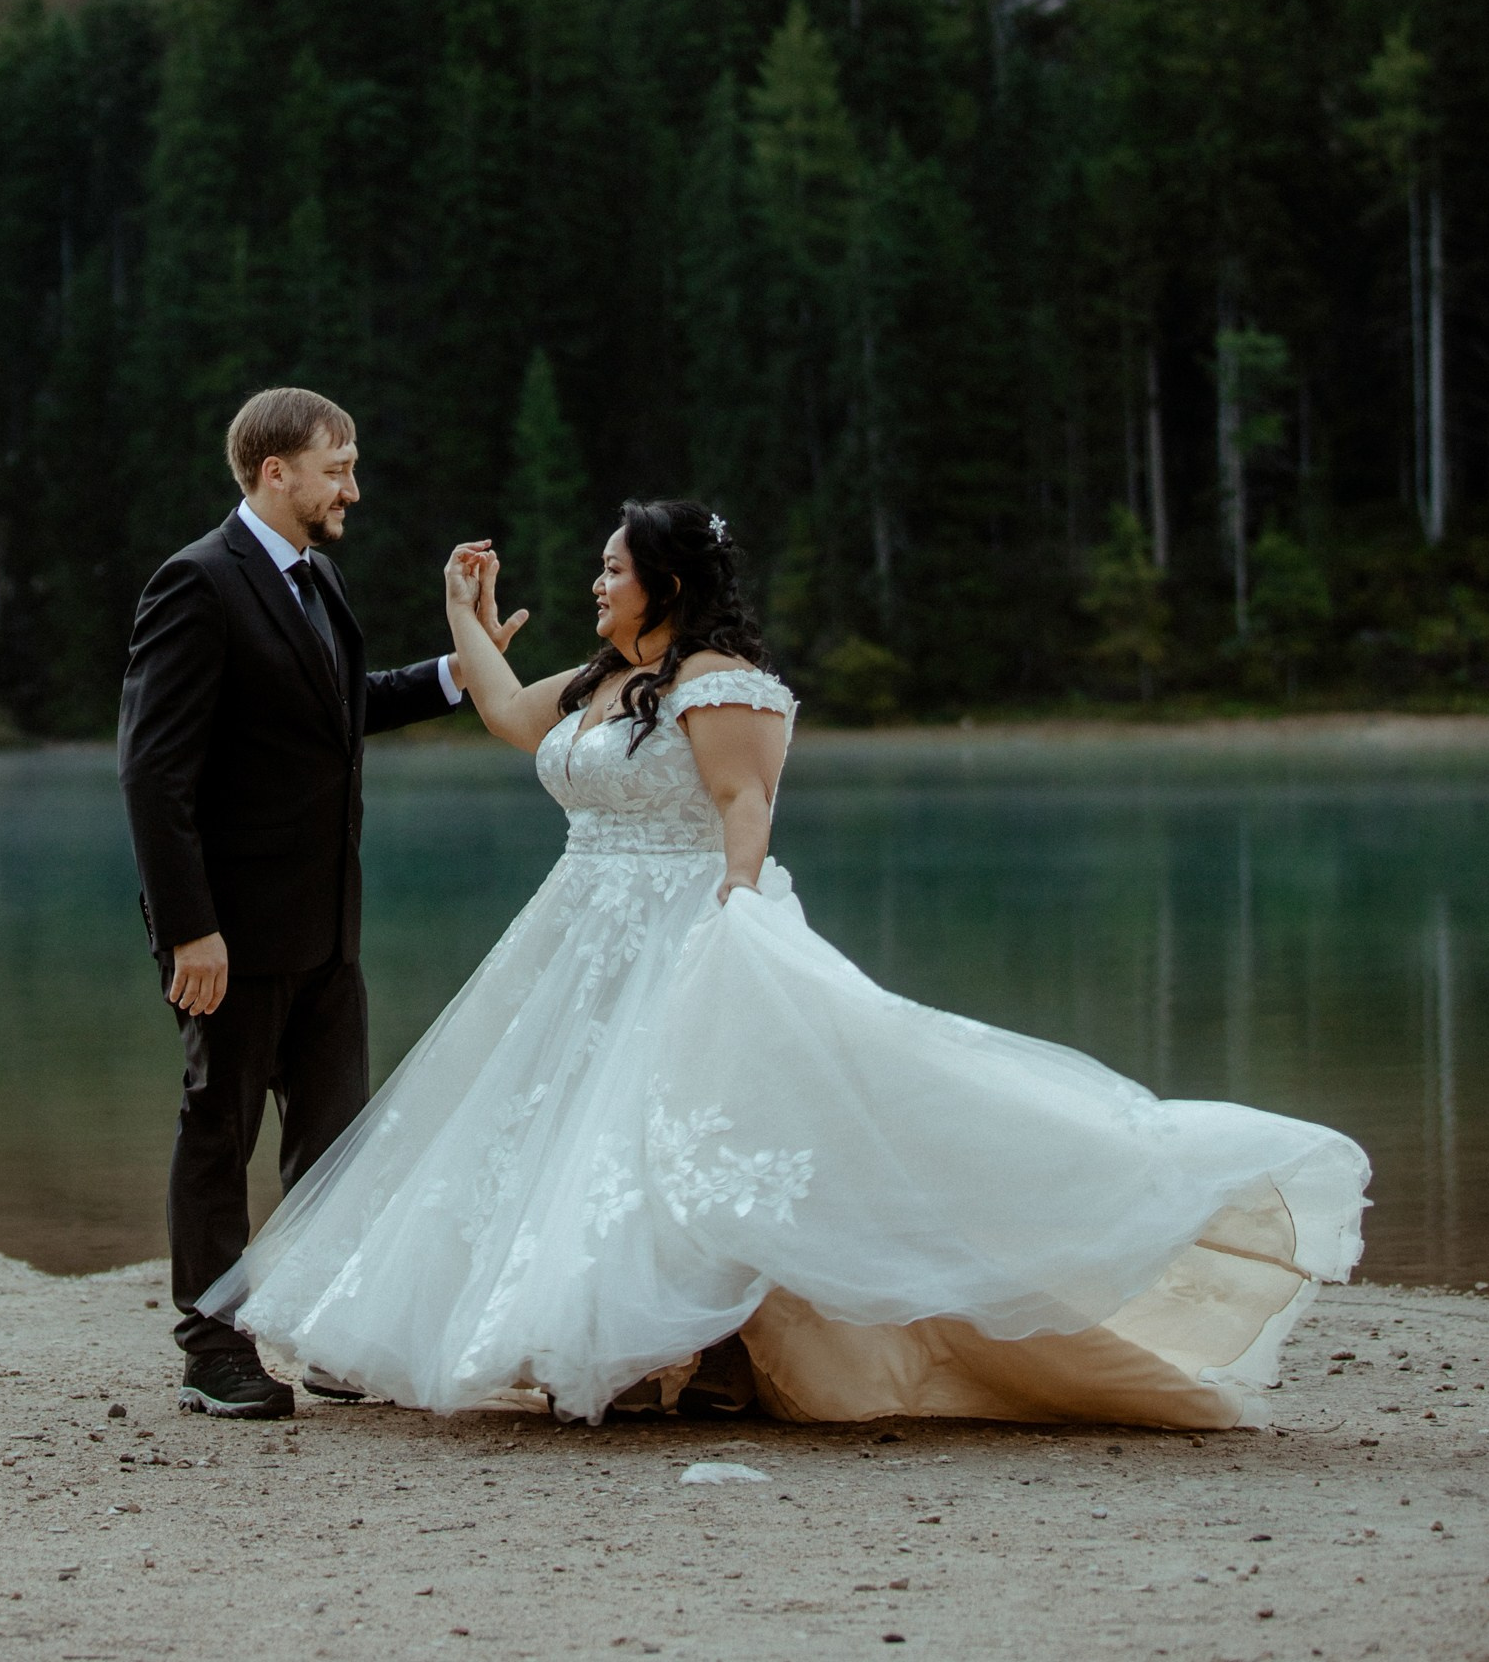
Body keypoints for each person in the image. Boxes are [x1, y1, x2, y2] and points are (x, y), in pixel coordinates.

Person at [196, 499, 1370, 1429]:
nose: (595, 583)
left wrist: (738, 922)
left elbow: (742, 804)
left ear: (662, 585)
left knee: (682, 1139)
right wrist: (466, 605)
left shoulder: (721, 684)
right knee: (574, 1143)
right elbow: (507, 715)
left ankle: (682, 1354)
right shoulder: (605, 682)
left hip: (681, 924)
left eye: (612, 568)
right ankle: (606, 1346)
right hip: (574, 934)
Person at [117, 386, 507, 1418]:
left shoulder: (317, 579)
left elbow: (344, 708)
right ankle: (212, 1346)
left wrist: (463, 664)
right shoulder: (195, 584)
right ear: (273, 472)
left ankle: (329, 1330)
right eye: (336, 469)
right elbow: (153, 775)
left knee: (335, 1144)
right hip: (232, 936)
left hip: (329, 926)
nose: (353, 488)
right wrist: (190, 928)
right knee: (220, 1128)